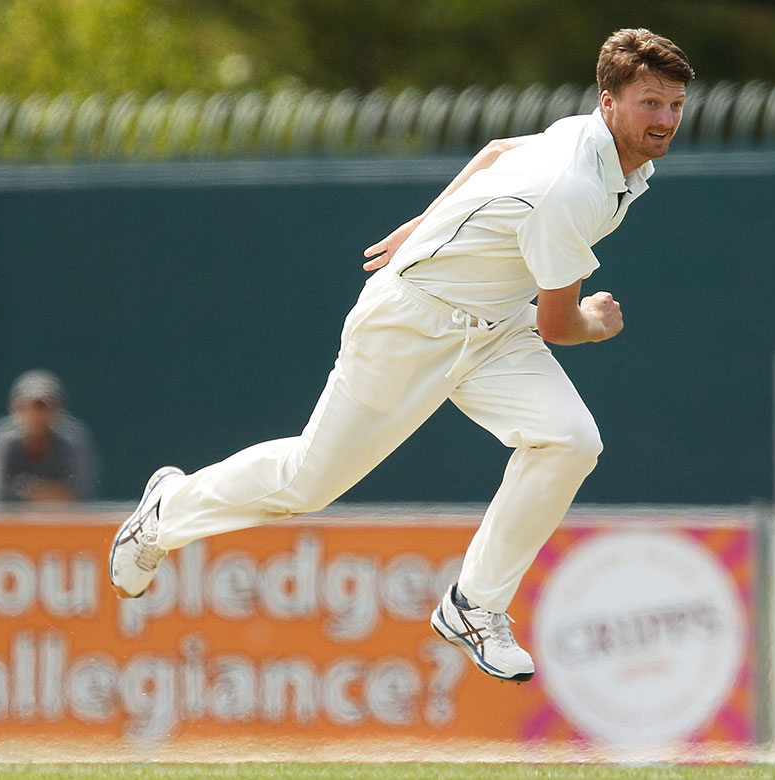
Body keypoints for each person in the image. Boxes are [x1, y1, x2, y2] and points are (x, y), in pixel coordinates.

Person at [110, 28, 694, 683]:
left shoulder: (605, 151)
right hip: (410, 323)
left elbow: (497, 152)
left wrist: (429, 222)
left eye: (674, 104)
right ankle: (163, 515)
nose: (665, 120)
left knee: (569, 440)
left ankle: (475, 605)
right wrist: (596, 324)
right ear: (608, 102)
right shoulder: (573, 185)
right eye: (650, 103)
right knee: (307, 483)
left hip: (494, 327)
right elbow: (560, 324)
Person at [0, 369, 100, 503]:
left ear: (57, 410)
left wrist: (26, 490)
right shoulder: (5, 442)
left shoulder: (70, 442)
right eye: (27, 407)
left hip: (61, 522)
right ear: (14, 408)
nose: (35, 414)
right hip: (13, 522)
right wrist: (48, 493)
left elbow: (80, 491)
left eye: (42, 407)